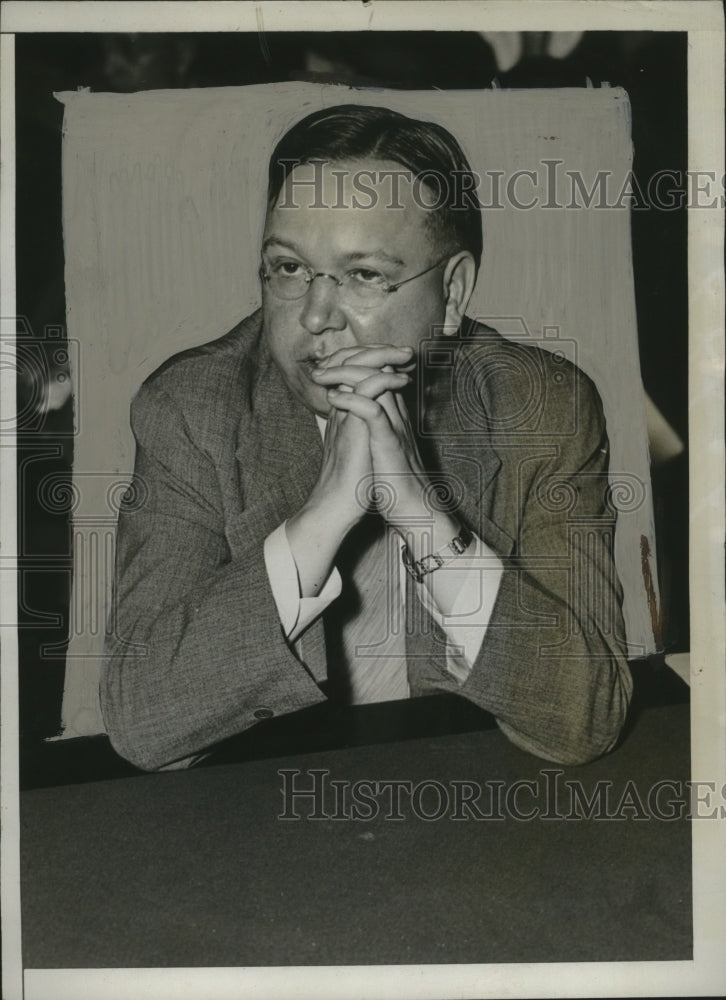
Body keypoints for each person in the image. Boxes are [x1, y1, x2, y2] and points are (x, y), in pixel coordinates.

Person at [101, 104, 632, 772]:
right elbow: (140, 723)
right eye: (289, 268)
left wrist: (425, 519)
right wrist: (320, 519)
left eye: (364, 275)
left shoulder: (542, 406)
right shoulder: (192, 408)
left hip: (471, 793)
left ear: (453, 292)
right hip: (264, 805)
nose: (316, 317)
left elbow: (587, 717)